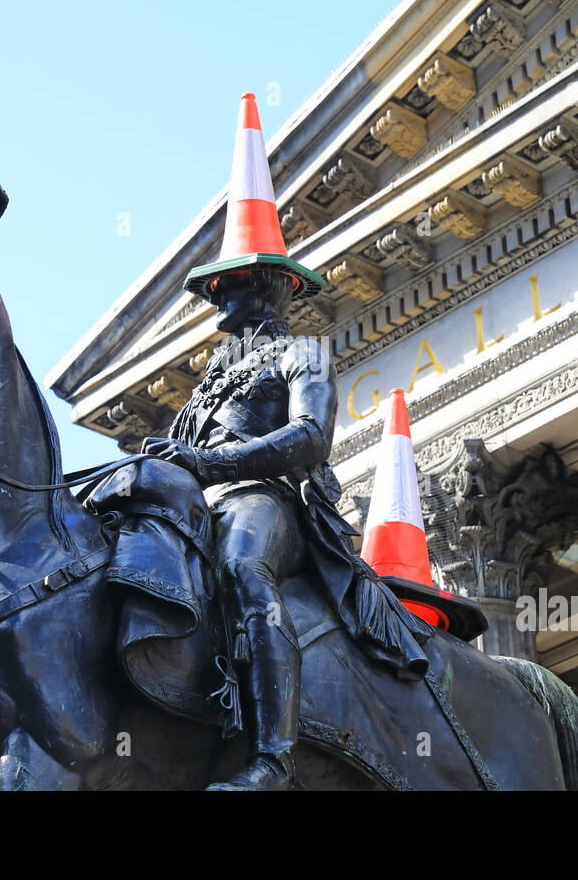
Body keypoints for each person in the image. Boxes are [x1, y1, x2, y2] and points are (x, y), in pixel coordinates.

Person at [141, 265, 432, 790]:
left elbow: (310, 436)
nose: (217, 293)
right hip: (199, 505)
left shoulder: (305, 354)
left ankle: (273, 758)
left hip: (270, 501)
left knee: (241, 565)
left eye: (228, 282)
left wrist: (212, 464)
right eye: (216, 284)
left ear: (268, 286)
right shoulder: (207, 385)